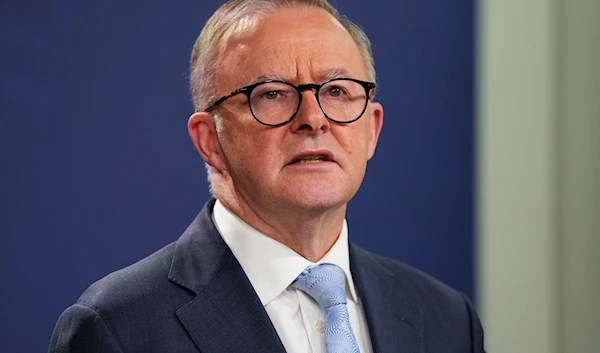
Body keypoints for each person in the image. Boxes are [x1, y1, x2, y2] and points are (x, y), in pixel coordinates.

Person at [49, 0, 485, 352]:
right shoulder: (117, 329)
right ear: (209, 140)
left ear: (371, 129)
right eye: (272, 94)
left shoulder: (446, 320)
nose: (314, 118)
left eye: (336, 91)